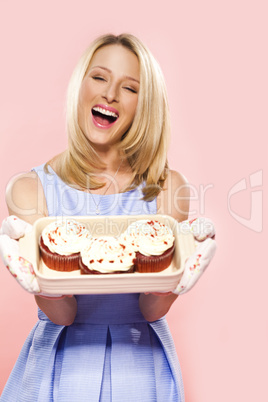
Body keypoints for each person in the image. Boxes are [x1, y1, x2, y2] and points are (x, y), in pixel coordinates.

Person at [0, 33, 212, 401]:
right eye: (99, 77)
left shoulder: (168, 189)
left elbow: (150, 309)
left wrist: (176, 278)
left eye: (129, 88)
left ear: (145, 106)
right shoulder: (29, 190)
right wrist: (37, 281)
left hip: (140, 365)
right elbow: (63, 314)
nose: (109, 94)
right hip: (60, 366)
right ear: (80, 86)